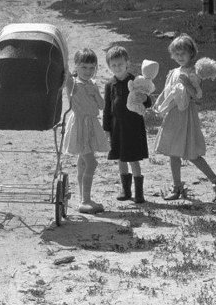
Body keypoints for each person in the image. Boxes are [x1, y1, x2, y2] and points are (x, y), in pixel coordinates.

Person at [154, 34, 216, 201]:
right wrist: (159, 105)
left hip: (186, 116)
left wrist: (187, 83)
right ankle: (177, 187)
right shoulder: (173, 71)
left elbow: (197, 96)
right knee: (172, 153)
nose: (179, 57)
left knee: (191, 153)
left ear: (191, 53)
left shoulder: (193, 73)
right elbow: (168, 92)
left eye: (183, 53)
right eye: (176, 54)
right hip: (173, 115)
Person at [103, 46, 151, 204]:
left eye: (120, 64)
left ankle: (139, 193)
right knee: (120, 159)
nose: (117, 68)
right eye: (113, 65)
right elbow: (107, 109)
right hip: (117, 127)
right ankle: (126, 190)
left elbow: (148, 101)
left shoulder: (136, 81)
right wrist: (107, 129)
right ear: (109, 66)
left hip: (133, 127)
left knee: (133, 159)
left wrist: (143, 98)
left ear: (127, 63)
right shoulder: (110, 85)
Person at [63, 48, 108, 214]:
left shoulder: (93, 84)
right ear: (76, 66)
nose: (88, 71)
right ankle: (85, 200)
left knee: (83, 163)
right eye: (84, 67)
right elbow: (65, 71)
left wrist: (95, 93)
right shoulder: (72, 83)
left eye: (91, 68)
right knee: (91, 162)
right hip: (79, 125)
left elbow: (102, 106)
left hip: (91, 124)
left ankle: (84, 199)